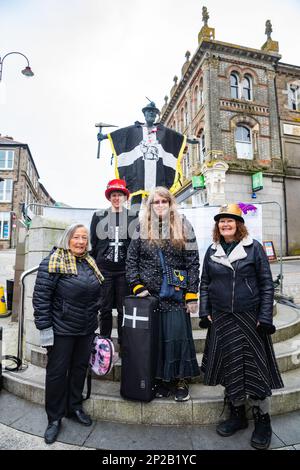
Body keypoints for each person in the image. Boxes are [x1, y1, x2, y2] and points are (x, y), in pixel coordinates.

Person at [199, 203, 284, 450]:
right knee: (229, 367)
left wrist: (265, 317)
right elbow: (205, 283)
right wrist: (205, 311)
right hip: (222, 319)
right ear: (218, 226)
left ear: (238, 224)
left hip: (249, 318)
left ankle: (262, 419)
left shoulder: (254, 248)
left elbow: (267, 285)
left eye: (230, 220)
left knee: (256, 369)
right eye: (222, 221)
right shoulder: (212, 250)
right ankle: (237, 415)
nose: (225, 224)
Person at [126, 187, 200, 401]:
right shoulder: (141, 228)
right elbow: (131, 261)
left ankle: (181, 381)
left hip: (176, 295)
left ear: (170, 203)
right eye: (155, 202)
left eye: (163, 202)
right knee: (157, 341)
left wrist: (191, 294)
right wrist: (137, 286)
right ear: (150, 206)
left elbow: (193, 261)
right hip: (150, 297)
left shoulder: (184, 225)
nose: (159, 205)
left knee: (177, 339)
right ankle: (162, 380)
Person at [33, 223, 104, 444]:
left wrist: (95, 314)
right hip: (61, 330)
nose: (81, 241)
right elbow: (41, 299)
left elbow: (97, 293)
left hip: (85, 329)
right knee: (56, 374)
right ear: (67, 239)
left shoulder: (89, 263)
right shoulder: (52, 262)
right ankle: (54, 418)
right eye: (76, 237)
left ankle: (74, 407)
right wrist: (45, 331)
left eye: (84, 238)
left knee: (79, 369)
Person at [97, 101, 198, 204]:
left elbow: (177, 137)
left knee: (157, 202)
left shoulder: (163, 131)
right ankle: (133, 219)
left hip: (157, 175)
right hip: (139, 174)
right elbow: (121, 134)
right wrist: (104, 136)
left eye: (154, 112)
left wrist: (189, 140)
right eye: (149, 111)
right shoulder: (135, 130)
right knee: (136, 200)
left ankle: (158, 219)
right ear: (144, 114)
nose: (151, 114)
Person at [90, 179, 137, 349]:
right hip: (105, 271)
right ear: (109, 197)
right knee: (105, 309)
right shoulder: (98, 216)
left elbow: (135, 244)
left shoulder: (133, 216)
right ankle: (104, 343)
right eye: (114, 195)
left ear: (125, 197)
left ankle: (125, 344)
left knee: (124, 309)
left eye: (120, 195)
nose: (117, 198)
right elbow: (93, 244)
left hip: (124, 271)